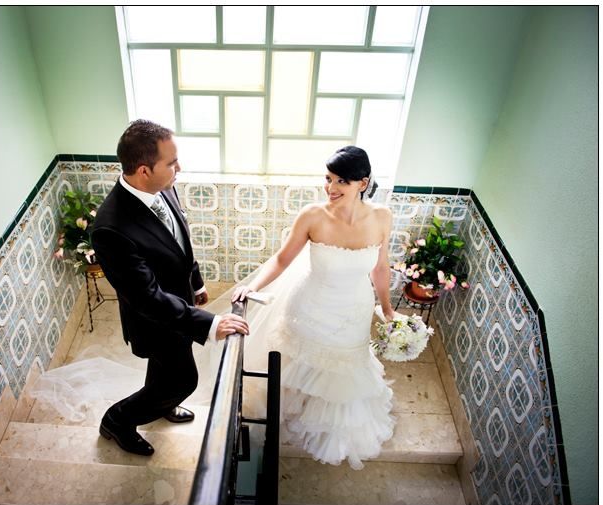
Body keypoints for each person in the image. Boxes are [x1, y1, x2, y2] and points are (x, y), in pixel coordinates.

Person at [89, 119, 249, 456]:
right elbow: (146, 298)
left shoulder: (164, 185)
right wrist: (211, 322)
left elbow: (177, 241)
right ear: (144, 170)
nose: (179, 167)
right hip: (153, 320)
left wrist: (195, 282)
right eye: (172, 162)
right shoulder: (111, 228)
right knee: (182, 380)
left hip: (179, 307)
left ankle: (162, 403)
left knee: (165, 372)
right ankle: (118, 419)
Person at [230, 145, 396, 469]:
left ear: (362, 183)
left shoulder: (382, 217)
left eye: (341, 182)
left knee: (342, 375)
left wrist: (387, 310)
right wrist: (252, 286)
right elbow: (281, 259)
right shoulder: (312, 216)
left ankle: (329, 428)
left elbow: (381, 267)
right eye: (328, 179)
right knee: (297, 367)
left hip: (353, 312)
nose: (331, 189)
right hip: (311, 308)